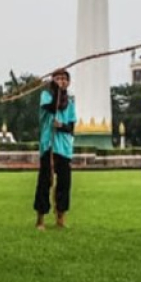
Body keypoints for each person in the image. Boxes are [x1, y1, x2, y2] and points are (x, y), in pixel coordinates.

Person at [34, 69, 77, 230]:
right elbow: (51, 107)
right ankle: (40, 219)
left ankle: (61, 217)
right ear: (53, 81)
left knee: (64, 183)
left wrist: (62, 126)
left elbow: (71, 128)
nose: (62, 81)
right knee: (45, 181)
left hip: (64, 148)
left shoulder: (71, 103)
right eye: (58, 78)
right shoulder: (46, 96)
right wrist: (56, 90)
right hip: (49, 145)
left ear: (69, 82)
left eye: (65, 79)